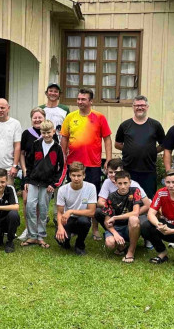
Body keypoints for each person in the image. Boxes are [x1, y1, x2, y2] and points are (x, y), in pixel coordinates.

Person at [60, 89, 112, 240]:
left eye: (83, 99)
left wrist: (108, 159)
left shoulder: (99, 117)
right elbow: (64, 138)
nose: (80, 102)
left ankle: (95, 228)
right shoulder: (70, 117)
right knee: (73, 195)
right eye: (79, 99)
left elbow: (107, 139)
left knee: (92, 198)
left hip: (93, 164)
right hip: (74, 164)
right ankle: (73, 225)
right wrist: (63, 157)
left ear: (91, 101)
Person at [22, 119, 65, 248]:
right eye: (44, 132)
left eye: (49, 132)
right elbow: (29, 164)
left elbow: (61, 167)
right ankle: (32, 235)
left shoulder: (57, 148)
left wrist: (54, 183)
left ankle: (41, 236)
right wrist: (27, 180)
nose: (46, 135)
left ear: (53, 131)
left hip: (48, 184)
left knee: (43, 208)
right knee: (30, 206)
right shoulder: (36, 144)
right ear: (41, 132)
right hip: (34, 181)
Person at [115, 95, 165, 203]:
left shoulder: (155, 125)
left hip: (148, 170)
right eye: (137, 105)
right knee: (129, 199)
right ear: (133, 107)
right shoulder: (125, 125)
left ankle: (148, 219)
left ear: (147, 107)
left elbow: (163, 144)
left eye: (142, 105)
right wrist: (129, 149)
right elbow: (117, 144)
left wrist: (152, 150)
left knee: (148, 199)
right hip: (129, 169)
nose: (140, 108)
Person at [101, 171, 149, 263]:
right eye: (120, 183)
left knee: (134, 219)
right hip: (116, 227)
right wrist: (115, 234)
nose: (123, 186)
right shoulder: (111, 197)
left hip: (129, 226)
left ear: (130, 182)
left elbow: (135, 213)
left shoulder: (135, 191)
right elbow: (107, 222)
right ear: (115, 183)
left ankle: (131, 251)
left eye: (125, 183)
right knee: (110, 243)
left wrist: (115, 217)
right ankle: (121, 246)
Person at [54, 162, 97, 255]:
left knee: (84, 221)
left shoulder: (91, 187)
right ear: (69, 175)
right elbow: (60, 212)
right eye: (73, 175)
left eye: (79, 175)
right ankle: (66, 240)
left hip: (82, 217)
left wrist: (71, 211)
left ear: (84, 175)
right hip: (67, 219)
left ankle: (80, 244)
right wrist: (60, 227)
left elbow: (92, 212)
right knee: (60, 239)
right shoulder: (63, 189)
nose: (76, 178)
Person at [17, 107, 45, 240]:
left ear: (44, 118)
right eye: (35, 117)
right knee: (27, 201)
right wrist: (24, 169)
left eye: (40, 117)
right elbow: (22, 153)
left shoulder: (49, 133)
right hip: (29, 173)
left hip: (43, 174)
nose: (37, 120)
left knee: (40, 202)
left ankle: (38, 230)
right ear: (31, 119)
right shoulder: (26, 134)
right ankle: (28, 228)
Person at [95, 159, 145, 231]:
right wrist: (116, 207)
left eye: (116, 172)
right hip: (115, 211)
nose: (113, 175)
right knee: (98, 211)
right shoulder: (107, 182)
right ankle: (111, 231)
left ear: (122, 171)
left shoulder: (134, 185)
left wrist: (133, 213)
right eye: (110, 172)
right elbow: (99, 202)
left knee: (143, 216)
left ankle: (145, 238)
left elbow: (147, 204)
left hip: (130, 212)